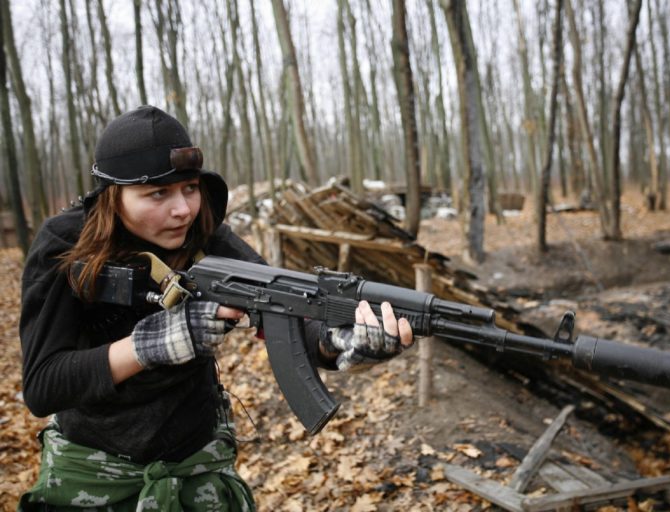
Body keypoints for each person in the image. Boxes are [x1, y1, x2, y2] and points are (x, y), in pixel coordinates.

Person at [18, 105, 413, 510]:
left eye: (190, 188)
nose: (183, 210)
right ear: (113, 196)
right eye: (158, 193)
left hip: (197, 466)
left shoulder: (205, 236)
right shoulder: (65, 245)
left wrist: (340, 342)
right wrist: (150, 345)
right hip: (92, 474)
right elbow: (43, 386)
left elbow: (286, 312)